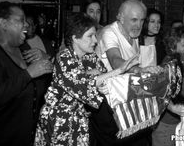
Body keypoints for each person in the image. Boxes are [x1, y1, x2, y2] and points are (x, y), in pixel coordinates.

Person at [34, 13, 137, 146]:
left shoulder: (91, 57)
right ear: (75, 38)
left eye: (95, 35)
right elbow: (83, 85)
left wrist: (99, 80)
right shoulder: (64, 57)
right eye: (90, 36)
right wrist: (118, 70)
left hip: (80, 120)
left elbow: (103, 80)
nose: (95, 40)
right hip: (58, 120)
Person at [0, 2, 54, 146]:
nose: (26, 25)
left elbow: (42, 89)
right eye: (20, 20)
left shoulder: (24, 49)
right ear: (3, 23)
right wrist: (28, 74)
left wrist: (46, 60)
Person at [91, 0, 162, 146]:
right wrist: (140, 70)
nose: (139, 25)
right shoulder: (109, 32)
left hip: (123, 96)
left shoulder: (133, 34)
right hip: (105, 99)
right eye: (134, 20)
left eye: (142, 20)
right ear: (120, 18)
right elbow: (116, 60)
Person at [152, 26, 184, 146]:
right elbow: (158, 91)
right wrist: (173, 108)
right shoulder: (169, 64)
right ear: (172, 47)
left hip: (179, 122)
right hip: (166, 124)